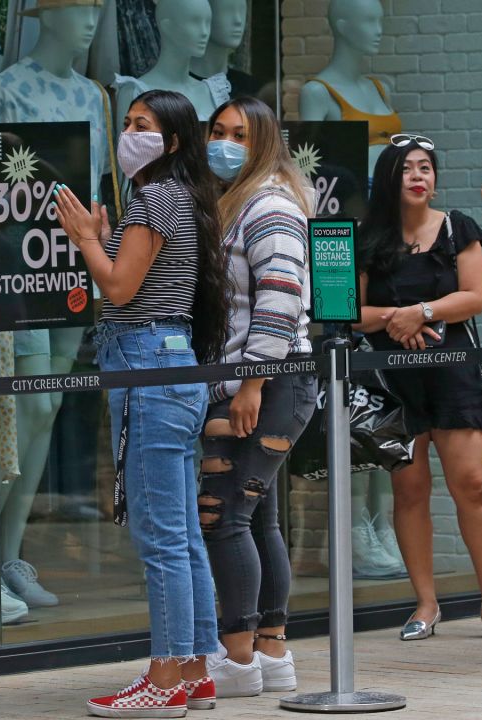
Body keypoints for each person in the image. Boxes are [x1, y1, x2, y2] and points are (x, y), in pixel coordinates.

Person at [54, 89, 230, 718]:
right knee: (182, 534)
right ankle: (195, 671)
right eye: (128, 123)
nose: (130, 133)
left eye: (142, 125)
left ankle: (164, 679)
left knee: (161, 534)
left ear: (173, 141)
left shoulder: (154, 197)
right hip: (173, 361)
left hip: (146, 362)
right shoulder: (183, 196)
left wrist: (85, 238)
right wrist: (107, 237)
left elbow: (121, 287)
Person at [355, 134, 482, 645]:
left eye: (426, 168)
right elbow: (352, 312)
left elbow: (473, 298)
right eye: (408, 168)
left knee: (472, 485)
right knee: (410, 491)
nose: (418, 176)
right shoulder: (368, 239)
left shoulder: (458, 228)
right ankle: (425, 604)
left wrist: (424, 312)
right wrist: (396, 318)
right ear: (390, 178)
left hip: (454, 372)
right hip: (394, 379)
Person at [196, 97, 317, 697]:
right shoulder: (240, 200)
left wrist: (249, 384)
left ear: (265, 140)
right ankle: (270, 651)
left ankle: (237, 658)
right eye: (217, 131)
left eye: (239, 134)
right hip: (265, 379)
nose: (224, 142)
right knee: (258, 518)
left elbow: (280, 299)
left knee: (223, 517)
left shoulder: (267, 204)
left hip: (266, 382)